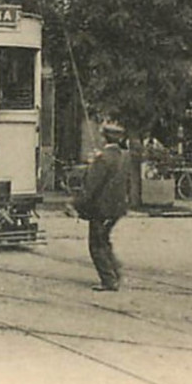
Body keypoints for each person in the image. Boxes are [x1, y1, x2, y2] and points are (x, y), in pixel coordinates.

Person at [74, 121, 130, 291]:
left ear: (104, 137)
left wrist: (76, 204)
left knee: (96, 245)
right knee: (104, 240)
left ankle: (109, 280)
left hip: (101, 209)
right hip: (117, 208)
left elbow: (91, 186)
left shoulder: (103, 158)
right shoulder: (123, 156)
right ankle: (116, 272)